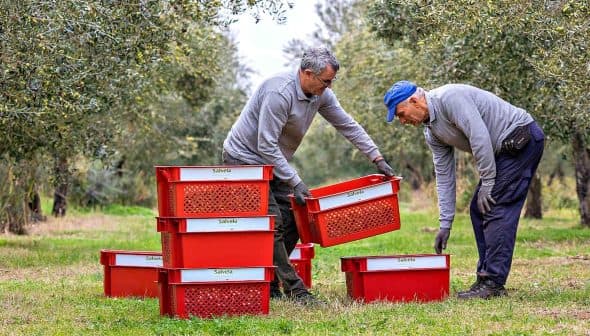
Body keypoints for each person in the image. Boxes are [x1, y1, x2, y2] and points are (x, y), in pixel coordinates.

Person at [222, 47, 395, 305]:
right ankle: (295, 290)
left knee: (294, 218)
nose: (328, 87)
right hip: (244, 158)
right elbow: (265, 145)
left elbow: (346, 124)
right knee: (273, 223)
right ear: (306, 73)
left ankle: (269, 282)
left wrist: (377, 158)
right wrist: (296, 181)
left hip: (274, 160)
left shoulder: (320, 94)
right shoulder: (278, 93)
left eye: (331, 81)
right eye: (326, 81)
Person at [383, 80, 544, 299]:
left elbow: (479, 136)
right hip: (503, 150)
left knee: (495, 206)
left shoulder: (450, 98)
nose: (402, 121)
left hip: (521, 139)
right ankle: (485, 279)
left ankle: (493, 283)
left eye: (402, 114)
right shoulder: (432, 132)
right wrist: (445, 224)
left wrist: (488, 182)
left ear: (415, 101)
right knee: (479, 208)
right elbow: (444, 175)